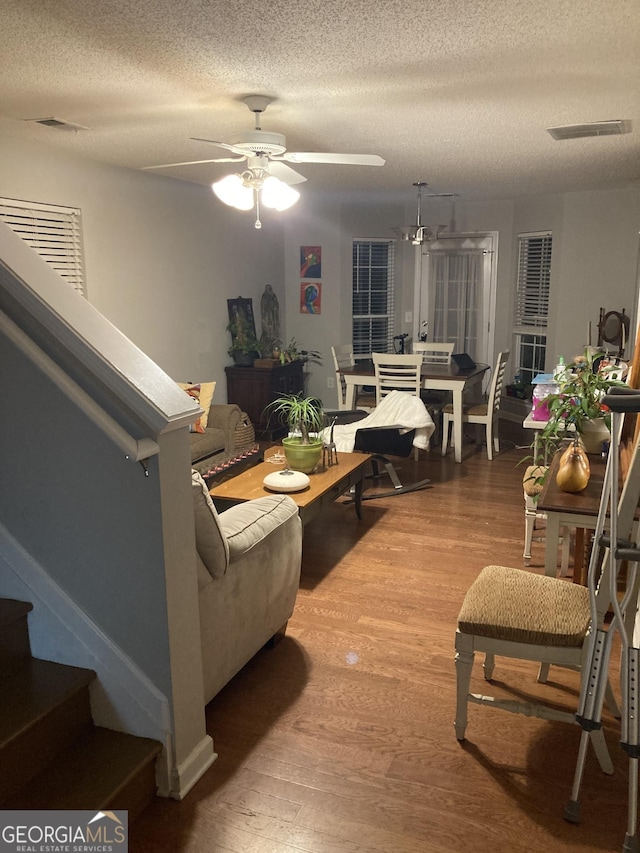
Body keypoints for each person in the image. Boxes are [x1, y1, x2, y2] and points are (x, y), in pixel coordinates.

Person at [261, 284, 280, 352]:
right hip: (267, 315)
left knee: (274, 329)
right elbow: (264, 307)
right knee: (267, 330)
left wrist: (273, 306)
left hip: (273, 315)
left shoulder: (273, 296)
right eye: (268, 288)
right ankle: (268, 348)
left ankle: (274, 345)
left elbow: (276, 305)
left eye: (270, 288)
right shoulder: (264, 296)